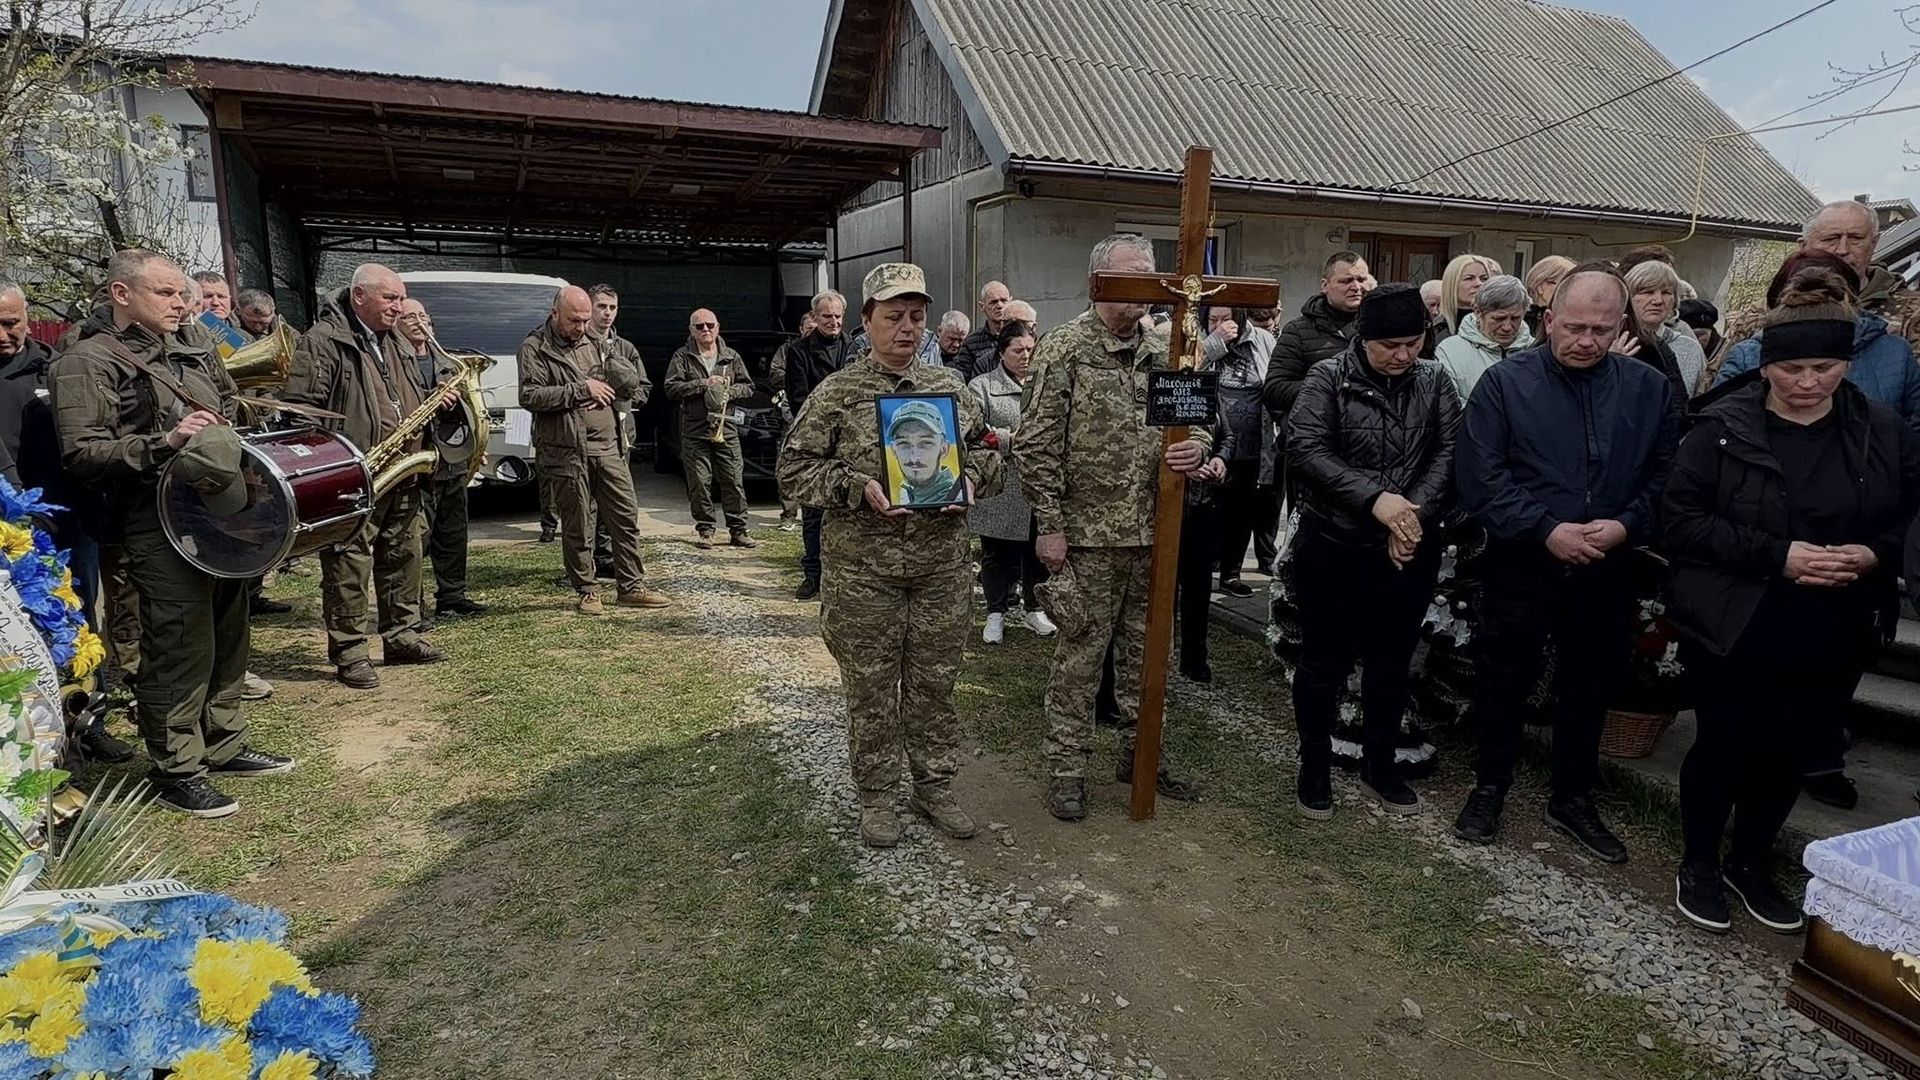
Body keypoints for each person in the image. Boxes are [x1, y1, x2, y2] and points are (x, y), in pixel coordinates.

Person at [1663, 267, 1920, 935]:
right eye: (1794, 368)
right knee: (1725, 743)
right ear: (1768, 365)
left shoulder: (1881, 430)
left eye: (1826, 367)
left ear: (1846, 363)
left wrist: (1872, 554)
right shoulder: (1721, 428)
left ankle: (1751, 863)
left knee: (1789, 748)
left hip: (1834, 619)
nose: (1809, 383)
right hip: (1737, 615)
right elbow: (1681, 522)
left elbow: (1905, 517)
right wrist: (1778, 554)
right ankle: (1698, 862)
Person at [50, 249, 294, 817]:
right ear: (121, 294)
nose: (182, 303)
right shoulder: (87, 360)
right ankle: (178, 766)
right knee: (180, 640)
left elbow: (228, 406)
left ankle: (223, 741)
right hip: (154, 520)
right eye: (166, 293)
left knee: (229, 627)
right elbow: (81, 452)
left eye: (182, 293)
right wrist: (168, 442)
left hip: (215, 512)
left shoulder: (196, 346)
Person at [1452, 270, 1679, 861]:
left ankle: (1573, 797)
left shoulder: (1647, 389)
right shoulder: (1505, 384)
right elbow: (1480, 474)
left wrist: (1627, 524)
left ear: (1621, 327)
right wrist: (1543, 529)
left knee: (1591, 681)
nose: (1586, 340)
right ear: (1547, 320)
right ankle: (1490, 784)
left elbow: (1666, 475)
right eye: (1574, 327)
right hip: (1523, 560)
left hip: (1609, 563)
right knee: (1505, 675)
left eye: (1601, 330)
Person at [777, 262, 1002, 848]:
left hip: (939, 569)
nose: (907, 328)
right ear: (868, 321)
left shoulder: (951, 389)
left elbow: (990, 454)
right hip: (864, 573)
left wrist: (971, 478)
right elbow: (792, 471)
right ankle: (877, 795)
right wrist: (857, 488)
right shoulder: (838, 393)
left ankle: (934, 787)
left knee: (934, 684)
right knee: (871, 687)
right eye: (894, 316)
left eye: (917, 317)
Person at [1017, 233, 1212, 821]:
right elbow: (1036, 445)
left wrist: (1196, 448)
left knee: (1148, 655)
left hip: (1156, 532)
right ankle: (1067, 769)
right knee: (1081, 658)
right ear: (1100, 281)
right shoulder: (1066, 348)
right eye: (1133, 278)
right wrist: (1049, 526)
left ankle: (1141, 754)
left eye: (1151, 277)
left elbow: (1198, 422)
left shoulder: (1168, 348)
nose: (1147, 290)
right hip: (1088, 536)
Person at [1287, 284, 1461, 819]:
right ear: (1363, 339)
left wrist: (1408, 516)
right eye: (1389, 345)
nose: (1402, 355)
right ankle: (1314, 764)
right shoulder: (1328, 378)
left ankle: (1380, 764)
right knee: (1324, 660)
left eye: (1413, 343)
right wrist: (1376, 502)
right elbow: (1307, 449)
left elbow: (1450, 449)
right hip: (1336, 543)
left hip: (1407, 547)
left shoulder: (1434, 380)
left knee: (1392, 660)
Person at [284, 263, 446, 689]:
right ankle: (351, 650)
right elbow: (301, 411)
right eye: (391, 298)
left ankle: (401, 635)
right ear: (360, 296)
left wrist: (432, 405)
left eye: (401, 298)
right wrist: (335, 465)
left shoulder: (396, 340)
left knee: (403, 554)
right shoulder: (322, 341)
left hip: (402, 469)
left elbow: (401, 395)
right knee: (348, 563)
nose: (400, 307)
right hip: (354, 472)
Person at [0, 279, 135, 763]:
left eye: (11, 322)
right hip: (5, 531)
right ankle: (31, 738)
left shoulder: (53, 367)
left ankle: (88, 720)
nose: (3, 333)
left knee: (77, 622)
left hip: (63, 523)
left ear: (27, 318)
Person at [520, 287, 668, 615]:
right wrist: (579, 390)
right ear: (555, 312)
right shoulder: (535, 347)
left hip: (608, 446)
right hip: (567, 449)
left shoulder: (597, 342)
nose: (582, 327)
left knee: (625, 516)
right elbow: (530, 396)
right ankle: (587, 589)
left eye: (586, 320)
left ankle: (630, 585)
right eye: (575, 320)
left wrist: (617, 378)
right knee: (577, 524)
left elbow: (629, 387)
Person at [1714, 252, 1920, 435]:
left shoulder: (1895, 356)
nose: (1808, 383)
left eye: (1824, 367)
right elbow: (1715, 421)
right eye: (1790, 369)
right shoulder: (1746, 355)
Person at [395, 299, 487, 620]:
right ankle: (412, 605)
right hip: (416, 461)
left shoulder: (447, 361)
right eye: (410, 317)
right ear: (396, 323)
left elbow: (465, 412)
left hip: (450, 459)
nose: (419, 322)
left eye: (423, 316)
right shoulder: (392, 360)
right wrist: (429, 397)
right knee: (416, 536)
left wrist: (474, 442)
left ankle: (453, 595)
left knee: (454, 532)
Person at [968, 320, 1055, 643]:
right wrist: (1012, 439)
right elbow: (976, 432)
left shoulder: (1046, 384)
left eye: (1030, 349)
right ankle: (995, 612)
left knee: (1037, 552)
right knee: (996, 554)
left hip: (1038, 483)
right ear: (1002, 352)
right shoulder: (982, 386)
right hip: (1001, 484)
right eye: (1018, 350)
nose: (1025, 356)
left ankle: (1035, 608)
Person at [666, 309, 756, 551]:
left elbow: (748, 387)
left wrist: (728, 390)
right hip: (695, 429)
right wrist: (703, 384)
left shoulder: (731, 356)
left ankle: (738, 530)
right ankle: (705, 529)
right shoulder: (682, 357)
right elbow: (671, 388)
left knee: (733, 479)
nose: (705, 330)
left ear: (718, 327)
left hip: (726, 426)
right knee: (699, 482)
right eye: (699, 326)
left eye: (709, 325)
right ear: (691, 330)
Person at [783, 292, 853, 599]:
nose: (834, 322)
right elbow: (799, 397)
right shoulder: (798, 351)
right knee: (813, 512)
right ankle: (813, 574)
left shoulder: (855, 348)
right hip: (818, 440)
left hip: (851, 440)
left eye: (838, 316)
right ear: (815, 317)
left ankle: (845, 576)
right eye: (827, 317)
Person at [1204, 306, 1274, 597]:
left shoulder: (1262, 339)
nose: (1220, 324)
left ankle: (1231, 574)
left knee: (1242, 512)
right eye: (1213, 319)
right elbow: (1186, 371)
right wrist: (1215, 341)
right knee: (1208, 513)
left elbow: (1275, 380)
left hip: (1252, 446)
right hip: (1210, 444)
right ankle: (1200, 571)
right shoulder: (1198, 339)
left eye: (1226, 318)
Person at [1265, 253, 1367, 453]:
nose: (1356, 287)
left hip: (1366, 446)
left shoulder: (1379, 328)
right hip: (1313, 444)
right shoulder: (1298, 331)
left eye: (1361, 279)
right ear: (1325, 285)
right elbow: (1274, 390)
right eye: (1346, 281)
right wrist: (1333, 386)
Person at [1434, 274, 1535, 402]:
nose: (1507, 327)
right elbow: (1449, 407)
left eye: (1515, 318)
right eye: (1499, 319)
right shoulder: (1449, 351)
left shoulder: (1535, 349)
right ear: (1478, 311)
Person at [1624, 259, 1704, 403]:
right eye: (1648, 292)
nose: (1658, 300)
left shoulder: (1690, 348)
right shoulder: (1614, 343)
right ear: (1628, 297)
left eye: (1666, 293)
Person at [768, 311, 818, 529]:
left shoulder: (831, 349)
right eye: (808, 328)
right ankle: (788, 514)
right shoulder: (789, 350)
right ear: (800, 329)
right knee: (789, 465)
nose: (812, 332)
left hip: (819, 419)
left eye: (815, 328)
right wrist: (795, 376)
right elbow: (774, 374)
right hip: (791, 415)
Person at [952, 280, 1013, 379]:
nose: (1000, 306)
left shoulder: (1022, 338)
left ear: (1010, 302)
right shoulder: (971, 343)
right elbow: (963, 381)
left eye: (1004, 300)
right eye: (993, 302)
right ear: (982, 306)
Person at [1437, 255, 1502, 341]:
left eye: (1484, 279)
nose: (1479, 283)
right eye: (1469, 278)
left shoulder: (1501, 326)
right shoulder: (1437, 330)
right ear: (1452, 284)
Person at [1523, 255, 1577, 337]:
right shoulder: (1519, 319)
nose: (1572, 290)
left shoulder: (1572, 319)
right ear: (1541, 286)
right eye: (1564, 284)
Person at [1678, 298, 1723, 368]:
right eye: (1688, 335)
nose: (1695, 340)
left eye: (1698, 335)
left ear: (1710, 332)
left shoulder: (1725, 354)